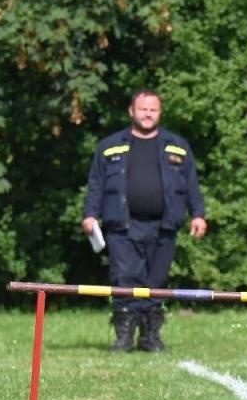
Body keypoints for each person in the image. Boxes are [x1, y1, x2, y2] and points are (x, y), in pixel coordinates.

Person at [82, 89, 207, 352]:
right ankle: (124, 337)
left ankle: (151, 336)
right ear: (131, 111)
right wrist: (90, 214)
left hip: (164, 226)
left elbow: (192, 184)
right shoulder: (109, 146)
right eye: (143, 109)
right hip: (122, 227)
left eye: (153, 110)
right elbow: (96, 184)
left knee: (156, 283)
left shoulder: (177, 146)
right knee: (125, 280)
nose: (148, 114)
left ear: (160, 113)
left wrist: (198, 214)